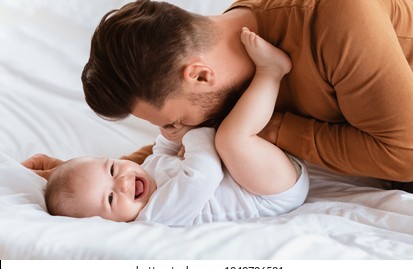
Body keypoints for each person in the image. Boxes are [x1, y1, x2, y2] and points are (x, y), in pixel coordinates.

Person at [27, 0, 413, 190]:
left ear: (200, 75)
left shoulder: (334, 17)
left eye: (170, 121)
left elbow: (407, 155)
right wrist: (99, 174)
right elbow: (190, 142)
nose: (173, 131)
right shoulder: (223, 69)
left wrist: (269, 129)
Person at [41, 29, 309, 226]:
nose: (122, 182)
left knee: (226, 136)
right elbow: (203, 173)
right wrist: (190, 137)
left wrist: (171, 137)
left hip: (256, 171)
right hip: (271, 193)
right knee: (230, 138)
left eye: (112, 169)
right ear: (107, 223)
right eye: (110, 199)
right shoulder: (156, 214)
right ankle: (270, 73)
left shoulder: (145, 174)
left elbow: (163, 152)